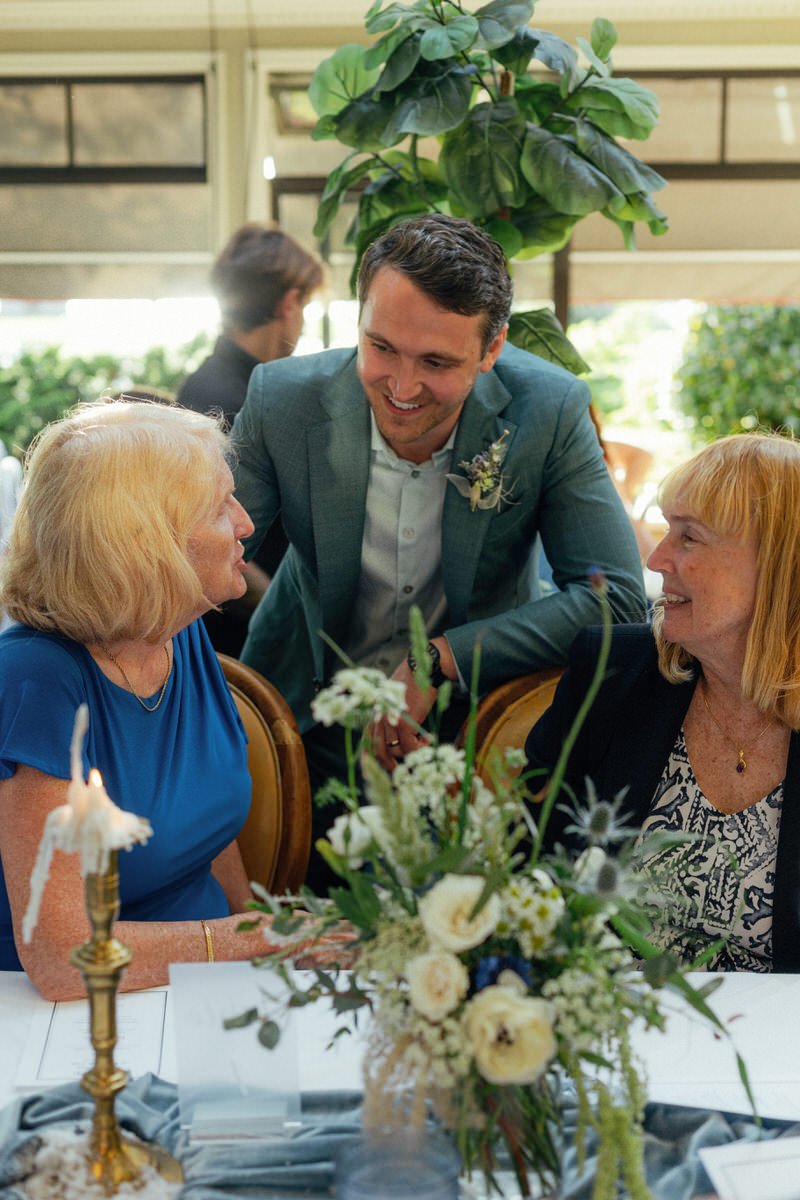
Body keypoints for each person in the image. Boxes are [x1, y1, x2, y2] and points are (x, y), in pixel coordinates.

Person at [231, 214, 646, 887]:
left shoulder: (548, 409)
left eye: (437, 362)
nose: (401, 386)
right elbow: (203, 554)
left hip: (475, 736)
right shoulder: (283, 399)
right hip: (300, 724)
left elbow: (616, 598)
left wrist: (441, 658)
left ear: (492, 349)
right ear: (358, 317)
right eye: (382, 347)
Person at [0, 399, 335, 1001]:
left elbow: (205, 827)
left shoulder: (179, 629)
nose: (245, 524)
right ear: (145, 546)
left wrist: (281, 960)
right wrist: (249, 941)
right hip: (70, 1014)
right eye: (218, 508)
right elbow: (62, 957)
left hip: (207, 984)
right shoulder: (35, 679)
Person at [526, 431, 800, 973]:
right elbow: (532, 863)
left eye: (689, 538)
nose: (655, 559)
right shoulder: (612, 672)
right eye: (667, 530)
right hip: (606, 1023)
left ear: (776, 566)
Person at [177, 224, 323, 655]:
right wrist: (295, 622)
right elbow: (205, 537)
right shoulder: (229, 399)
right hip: (244, 645)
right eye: (307, 306)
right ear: (290, 302)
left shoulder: (206, 382)